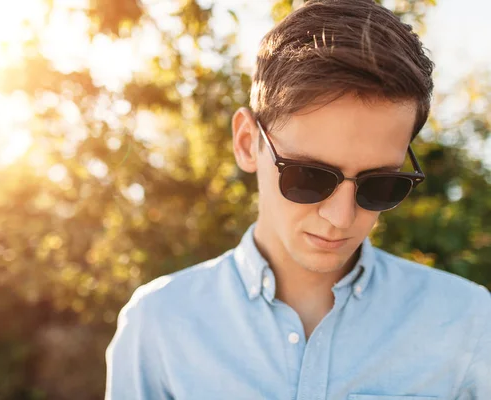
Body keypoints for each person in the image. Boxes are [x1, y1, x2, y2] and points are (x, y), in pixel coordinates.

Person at [105, 0, 491, 398]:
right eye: (309, 176)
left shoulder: (467, 323)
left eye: (379, 184)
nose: (341, 217)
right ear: (246, 143)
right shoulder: (159, 325)